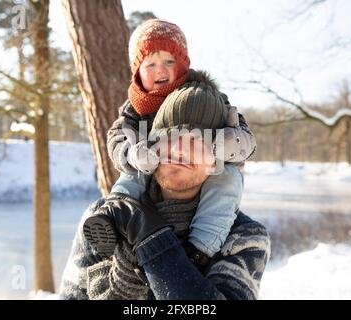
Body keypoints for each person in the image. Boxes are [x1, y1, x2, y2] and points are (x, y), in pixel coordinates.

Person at [60, 79, 270, 300]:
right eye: (169, 136)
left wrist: (151, 239)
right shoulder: (104, 219)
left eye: (197, 140)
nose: (178, 149)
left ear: (217, 159)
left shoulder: (243, 237)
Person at [91, 19, 257, 261]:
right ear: (136, 71)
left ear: (183, 64)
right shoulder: (135, 109)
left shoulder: (205, 95)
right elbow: (116, 137)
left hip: (209, 164)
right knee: (132, 178)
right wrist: (131, 153)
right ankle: (111, 218)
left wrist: (231, 144)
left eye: (169, 61)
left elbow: (244, 135)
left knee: (227, 182)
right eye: (150, 64)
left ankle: (202, 246)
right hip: (151, 161)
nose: (161, 70)